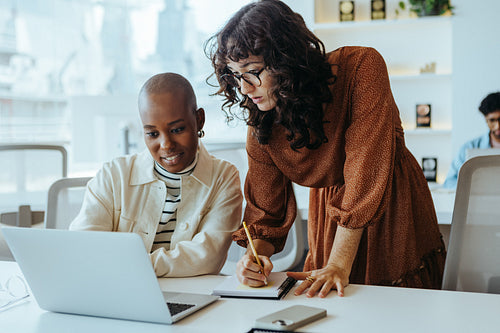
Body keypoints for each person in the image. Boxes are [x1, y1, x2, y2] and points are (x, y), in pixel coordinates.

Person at [206, 0, 446, 297]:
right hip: (331, 218)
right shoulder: (262, 122)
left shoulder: (361, 67)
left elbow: (365, 170)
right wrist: (253, 260)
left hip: (388, 202)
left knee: (397, 309)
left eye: (252, 71)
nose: (243, 88)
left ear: (286, 60)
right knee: (332, 305)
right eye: (235, 75)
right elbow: (267, 215)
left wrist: (338, 264)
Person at [70, 73, 243, 277]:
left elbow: (207, 258)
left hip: (192, 294)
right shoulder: (113, 175)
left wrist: (126, 265)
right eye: (152, 134)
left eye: (177, 129)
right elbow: (83, 247)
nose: (166, 145)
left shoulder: (224, 177)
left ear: (199, 120)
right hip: (120, 293)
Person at [443, 92, 500, 188]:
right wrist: (470, 188)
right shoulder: (469, 148)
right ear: (486, 120)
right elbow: (449, 182)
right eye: (492, 120)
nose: (498, 126)